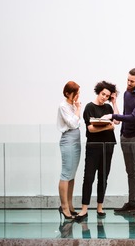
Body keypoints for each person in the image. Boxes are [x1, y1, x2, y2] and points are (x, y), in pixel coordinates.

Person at [101, 68, 135, 216]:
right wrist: (121, 131)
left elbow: (133, 117)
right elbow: (124, 115)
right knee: (130, 172)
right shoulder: (127, 94)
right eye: (128, 80)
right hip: (125, 137)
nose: (129, 83)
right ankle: (132, 203)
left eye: (132, 81)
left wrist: (113, 115)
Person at [75, 80, 119, 222]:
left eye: (107, 96)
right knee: (88, 177)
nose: (104, 97)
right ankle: (84, 209)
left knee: (103, 177)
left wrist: (114, 102)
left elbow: (117, 121)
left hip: (108, 145)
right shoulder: (89, 107)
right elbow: (91, 129)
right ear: (98, 92)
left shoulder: (108, 107)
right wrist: (107, 127)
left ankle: (100, 207)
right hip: (93, 146)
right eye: (102, 94)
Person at [56, 81, 82, 220]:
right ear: (67, 93)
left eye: (78, 93)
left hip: (76, 138)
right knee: (66, 173)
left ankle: (70, 206)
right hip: (68, 139)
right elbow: (72, 123)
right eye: (75, 93)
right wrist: (78, 110)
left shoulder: (73, 105)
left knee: (72, 174)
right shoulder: (63, 106)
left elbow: (77, 123)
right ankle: (64, 206)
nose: (77, 96)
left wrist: (76, 109)